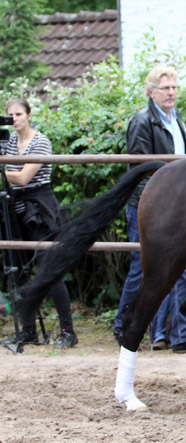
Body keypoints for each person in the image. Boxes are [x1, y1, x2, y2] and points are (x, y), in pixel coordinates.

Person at [113, 66, 186, 353]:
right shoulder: (142, 122)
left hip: (179, 205)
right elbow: (141, 167)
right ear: (150, 92)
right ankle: (123, 325)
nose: (171, 92)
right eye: (165, 88)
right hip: (152, 205)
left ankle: (183, 334)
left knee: (181, 267)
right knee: (140, 267)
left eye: (174, 87)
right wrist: (163, 199)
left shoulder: (177, 120)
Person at [4, 98, 78, 348]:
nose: (14, 119)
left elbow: (24, 177)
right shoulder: (10, 142)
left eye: (18, 114)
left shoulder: (41, 141)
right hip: (16, 208)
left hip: (41, 208)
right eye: (10, 114)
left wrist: (4, 171)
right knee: (21, 271)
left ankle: (68, 330)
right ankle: (28, 331)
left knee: (50, 270)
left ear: (29, 115)